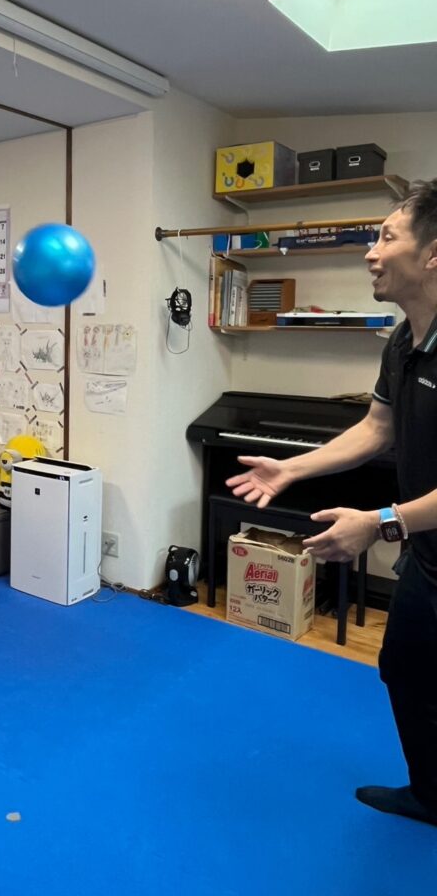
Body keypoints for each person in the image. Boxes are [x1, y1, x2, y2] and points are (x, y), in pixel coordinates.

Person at [225, 178, 437, 827]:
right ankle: (431, 795)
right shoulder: (403, 342)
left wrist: (382, 523)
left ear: (432, 254)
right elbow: (376, 428)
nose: (371, 252)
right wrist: (290, 469)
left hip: (413, 532)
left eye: (387, 237)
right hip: (429, 555)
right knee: (404, 667)